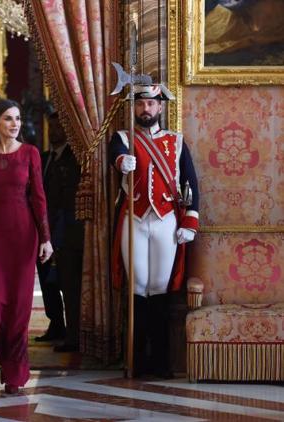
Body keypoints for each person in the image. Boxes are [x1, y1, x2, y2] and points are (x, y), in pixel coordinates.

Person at [109, 84, 199, 378]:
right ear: (133, 108)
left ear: (161, 108)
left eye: (150, 104)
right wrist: (123, 162)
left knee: (160, 287)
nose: (145, 109)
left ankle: (160, 360)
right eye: (139, 104)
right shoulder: (122, 138)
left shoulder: (177, 141)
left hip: (165, 221)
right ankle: (136, 359)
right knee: (138, 286)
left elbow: (191, 183)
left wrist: (190, 223)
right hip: (133, 219)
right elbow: (116, 155)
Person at [0, 99, 53, 395]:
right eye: (7, 119)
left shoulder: (30, 154)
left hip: (23, 236)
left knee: (19, 307)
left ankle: (14, 372)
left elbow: (39, 198)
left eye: (17, 118)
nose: (14, 124)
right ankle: (9, 360)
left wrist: (46, 238)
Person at [35, 112, 84, 352]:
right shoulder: (44, 158)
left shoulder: (75, 158)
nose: (54, 131)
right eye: (51, 126)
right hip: (43, 232)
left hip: (67, 232)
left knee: (69, 285)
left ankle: (74, 335)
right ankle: (56, 323)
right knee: (47, 283)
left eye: (58, 126)